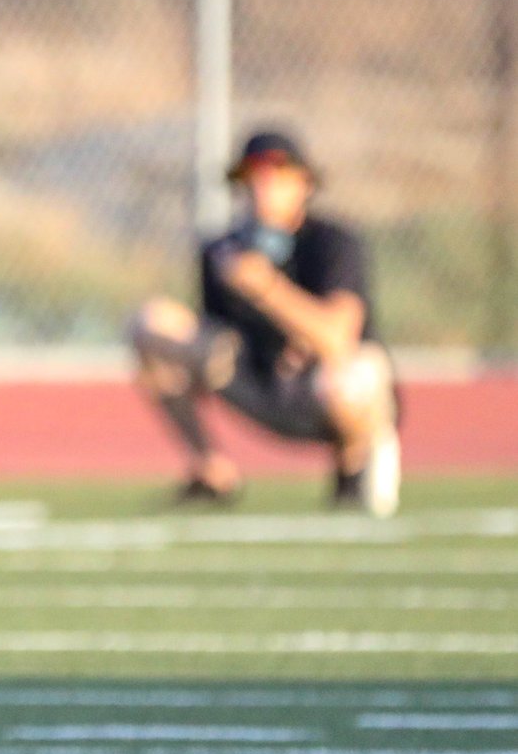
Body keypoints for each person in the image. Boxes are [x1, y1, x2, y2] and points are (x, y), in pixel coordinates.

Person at [128, 129, 400, 515]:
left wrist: (268, 289)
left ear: (305, 182)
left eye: (278, 175)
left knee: (353, 375)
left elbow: (338, 339)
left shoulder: (332, 242)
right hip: (260, 380)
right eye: (255, 176)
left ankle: (355, 464)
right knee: (151, 323)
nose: (264, 187)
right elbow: (215, 336)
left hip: (322, 390)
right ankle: (212, 471)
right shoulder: (223, 251)